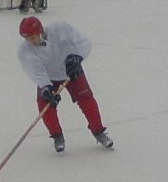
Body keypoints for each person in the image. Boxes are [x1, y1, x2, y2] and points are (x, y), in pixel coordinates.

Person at [17, 16, 113, 154]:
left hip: (72, 71)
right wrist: (46, 88)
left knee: (87, 100)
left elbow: (84, 42)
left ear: (40, 31)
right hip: (49, 78)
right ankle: (57, 137)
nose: (29, 41)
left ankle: (99, 132)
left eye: (32, 37)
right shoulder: (24, 51)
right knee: (45, 105)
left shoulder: (60, 29)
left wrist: (77, 56)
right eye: (26, 38)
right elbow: (37, 72)